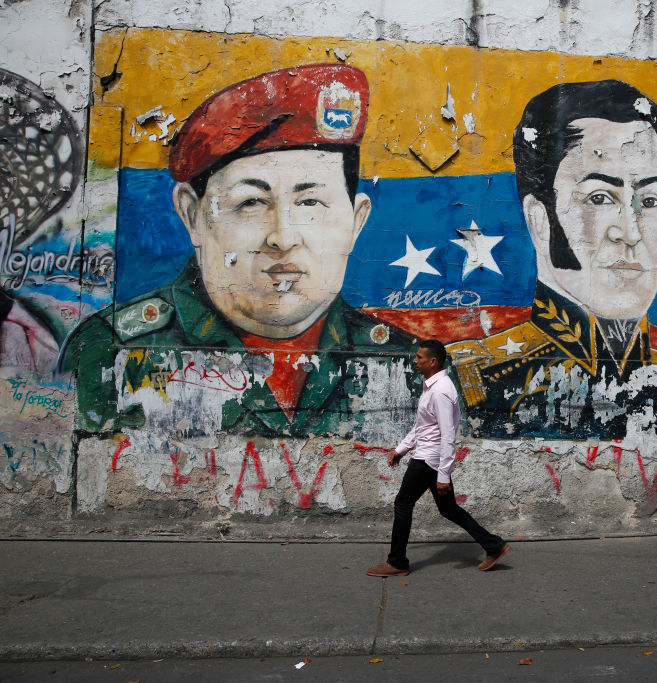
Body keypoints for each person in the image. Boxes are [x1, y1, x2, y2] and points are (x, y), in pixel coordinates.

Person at [59, 64, 416, 436]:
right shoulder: (112, 349)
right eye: (251, 203)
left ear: (355, 222)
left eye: (310, 202)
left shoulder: (409, 366)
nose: (283, 237)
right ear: (192, 215)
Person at [447, 80, 657, 439]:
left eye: (650, 201)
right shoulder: (478, 375)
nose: (630, 233)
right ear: (540, 219)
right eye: (600, 198)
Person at [368, 340, 509, 577]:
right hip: (430, 457)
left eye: (419, 357)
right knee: (449, 509)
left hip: (429, 460)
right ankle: (494, 545)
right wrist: (401, 449)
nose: (415, 360)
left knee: (403, 503)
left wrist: (443, 473)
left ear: (433, 361)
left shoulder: (442, 390)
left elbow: (447, 435)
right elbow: (423, 427)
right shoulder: (432, 387)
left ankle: (397, 562)